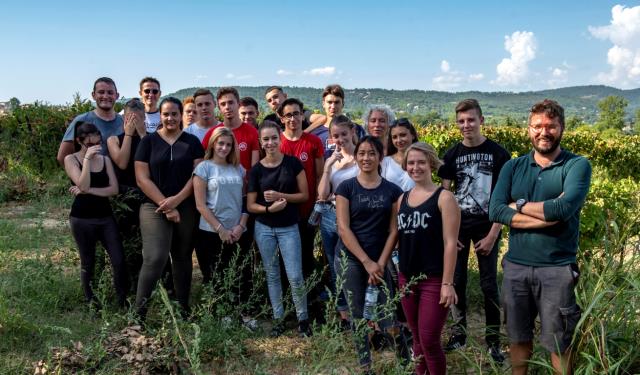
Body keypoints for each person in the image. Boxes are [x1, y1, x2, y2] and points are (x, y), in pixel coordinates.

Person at [489, 99, 591, 375]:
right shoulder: (513, 166)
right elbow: (496, 210)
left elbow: (563, 208)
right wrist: (547, 214)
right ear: (528, 129)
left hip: (557, 269)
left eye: (550, 126)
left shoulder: (577, 165)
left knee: (559, 343)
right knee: (517, 339)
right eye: (537, 126)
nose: (543, 132)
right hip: (516, 267)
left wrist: (518, 205)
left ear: (562, 128)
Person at [438, 99, 510, 362]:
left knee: (490, 284)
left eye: (470, 120)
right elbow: (445, 196)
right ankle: (459, 334)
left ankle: (493, 341)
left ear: (481, 120)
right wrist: (449, 233)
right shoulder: (451, 155)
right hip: (458, 226)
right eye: (461, 121)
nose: (466, 125)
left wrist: (493, 235)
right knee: (456, 281)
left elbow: (504, 197)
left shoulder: (499, 154)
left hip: (488, 225)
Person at [335, 135, 403, 373]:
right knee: (357, 315)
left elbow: (394, 230)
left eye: (371, 153)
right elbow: (343, 229)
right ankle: (366, 366)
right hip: (352, 260)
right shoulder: (345, 187)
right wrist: (367, 262)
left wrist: (380, 264)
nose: (366, 158)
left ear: (380, 157)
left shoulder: (393, 190)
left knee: (388, 314)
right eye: (362, 153)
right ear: (356, 156)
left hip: (381, 260)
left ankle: (404, 363)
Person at [134, 97, 204, 317]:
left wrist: (177, 200)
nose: (170, 118)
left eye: (175, 114)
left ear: (181, 115)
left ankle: (183, 307)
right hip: (153, 207)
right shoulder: (148, 142)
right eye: (166, 114)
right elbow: (142, 179)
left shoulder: (192, 143)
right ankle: (139, 313)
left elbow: (197, 175)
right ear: (160, 116)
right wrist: (166, 204)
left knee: (183, 256)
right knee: (155, 257)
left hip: (186, 206)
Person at [396, 142, 460, 375]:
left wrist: (447, 283)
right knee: (417, 339)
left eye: (421, 162)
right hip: (407, 278)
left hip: (433, 279)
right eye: (411, 163)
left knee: (430, 340)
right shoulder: (401, 199)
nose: (416, 167)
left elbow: (451, 243)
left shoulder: (444, 198)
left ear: (431, 163)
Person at [247, 121, 311, 338]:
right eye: (266, 139)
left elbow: (304, 195)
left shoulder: (292, 164)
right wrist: (269, 208)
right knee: (272, 275)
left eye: (274, 138)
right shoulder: (256, 171)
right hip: (264, 228)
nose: (270, 142)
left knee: (295, 276)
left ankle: (303, 319)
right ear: (261, 142)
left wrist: (282, 198)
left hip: (289, 228)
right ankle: (278, 318)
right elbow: (250, 205)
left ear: (279, 138)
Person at [193, 127, 254, 326]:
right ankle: (222, 315)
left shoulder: (239, 168)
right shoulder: (204, 168)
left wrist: (241, 225)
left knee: (242, 273)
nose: (224, 148)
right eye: (221, 143)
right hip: (211, 232)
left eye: (228, 144)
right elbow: (200, 204)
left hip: (237, 230)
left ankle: (244, 314)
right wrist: (220, 229)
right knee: (215, 274)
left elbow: (246, 199)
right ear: (213, 144)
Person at [64, 121, 127, 308]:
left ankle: (122, 301)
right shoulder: (71, 159)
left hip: (105, 217)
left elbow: (113, 189)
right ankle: (92, 302)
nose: (94, 148)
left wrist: (88, 191)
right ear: (79, 141)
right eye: (89, 145)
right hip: (82, 218)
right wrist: (86, 161)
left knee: (118, 259)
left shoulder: (105, 160)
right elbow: (82, 184)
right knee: (88, 261)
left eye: (97, 143)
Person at [277, 98, 324, 304]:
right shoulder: (277, 142)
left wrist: (319, 205)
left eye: (297, 113)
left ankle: (310, 299)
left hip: (307, 209)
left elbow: (321, 175)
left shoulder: (313, 142)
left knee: (306, 254)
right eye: (288, 115)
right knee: (285, 257)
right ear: (281, 118)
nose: (293, 118)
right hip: (283, 210)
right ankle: (288, 300)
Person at [316, 115, 359, 329]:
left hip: (354, 219)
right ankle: (344, 313)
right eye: (336, 136)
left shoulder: (363, 157)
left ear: (352, 131)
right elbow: (322, 195)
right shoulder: (331, 160)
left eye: (343, 134)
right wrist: (327, 167)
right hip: (330, 217)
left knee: (354, 265)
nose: (340, 139)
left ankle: (360, 310)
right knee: (335, 266)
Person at [107, 98, 147, 290]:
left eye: (138, 118)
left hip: (147, 195)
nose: (134, 122)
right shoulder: (114, 139)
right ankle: (131, 284)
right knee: (129, 241)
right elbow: (122, 162)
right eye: (130, 118)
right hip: (125, 195)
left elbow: (155, 164)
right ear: (124, 119)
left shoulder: (151, 138)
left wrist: (142, 133)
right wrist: (130, 135)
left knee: (151, 242)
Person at [57, 77, 123, 166]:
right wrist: (78, 175)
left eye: (110, 92)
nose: (106, 96)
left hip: (120, 179)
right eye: (101, 92)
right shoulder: (81, 121)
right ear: (93, 95)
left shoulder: (124, 122)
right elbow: (63, 157)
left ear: (117, 96)